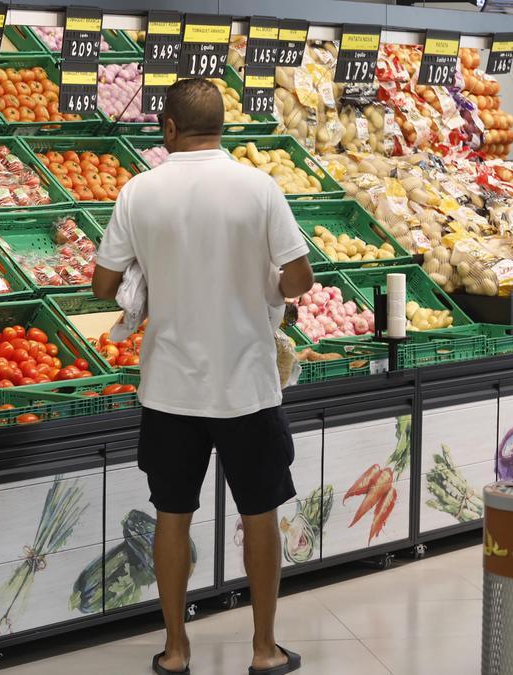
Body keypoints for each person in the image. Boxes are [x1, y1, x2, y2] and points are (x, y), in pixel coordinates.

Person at [92, 78, 314, 675]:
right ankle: (265, 649)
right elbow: (299, 278)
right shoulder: (259, 187)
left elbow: (102, 286)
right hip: (247, 384)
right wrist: (266, 287)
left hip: (170, 386)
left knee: (171, 513)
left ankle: (176, 648)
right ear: (224, 126)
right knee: (260, 513)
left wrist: (150, 273)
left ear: (168, 129)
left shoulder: (139, 192)